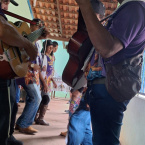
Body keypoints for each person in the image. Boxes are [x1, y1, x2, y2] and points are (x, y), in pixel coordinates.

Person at [75, 0, 145, 145]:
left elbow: (107, 48)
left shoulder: (134, 8)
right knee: (101, 138)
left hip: (108, 90)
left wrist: (84, 4)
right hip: (104, 87)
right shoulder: (129, 8)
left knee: (105, 141)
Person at [67, 1, 105, 145]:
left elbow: (95, 66)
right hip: (84, 87)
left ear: (100, 17)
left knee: (76, 122)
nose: (84, 19)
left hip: (87, 89)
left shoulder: (100, 37)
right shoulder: (89, 35)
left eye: (89, 15)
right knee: (85, 126)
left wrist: (82, 89)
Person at [0, 0, 38, 144]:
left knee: (10, 107)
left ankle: (8, 136)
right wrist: (27, 44)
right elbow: (2, 30)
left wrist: (30, 41)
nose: (6, 6)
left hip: (6, 73)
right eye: (4, 2)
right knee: (4, 111)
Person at [16, 18, 49, 134]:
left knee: (32, 98)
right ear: (32, 26)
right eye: (36, 26)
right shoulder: (26, 37)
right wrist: (32, 65)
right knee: (36, 98)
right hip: (26, 73)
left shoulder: (37, 41)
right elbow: (20, 55)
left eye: (40, 27)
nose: (37, 29)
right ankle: (24, 124)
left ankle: (21, 123)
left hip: (31, 74)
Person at [35, 39, 57, 125]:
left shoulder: (51, 58)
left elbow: (49, 73)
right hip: (41, 82)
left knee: (43, 99)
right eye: (49, 47)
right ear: (45, 47)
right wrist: (44, 83)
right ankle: (38, 118)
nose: (51, 49)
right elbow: (39, 71)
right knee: (44, 99)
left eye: (52, 47)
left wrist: (53, 81)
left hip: (47, 82)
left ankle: (37, 117)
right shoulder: (42, 56)